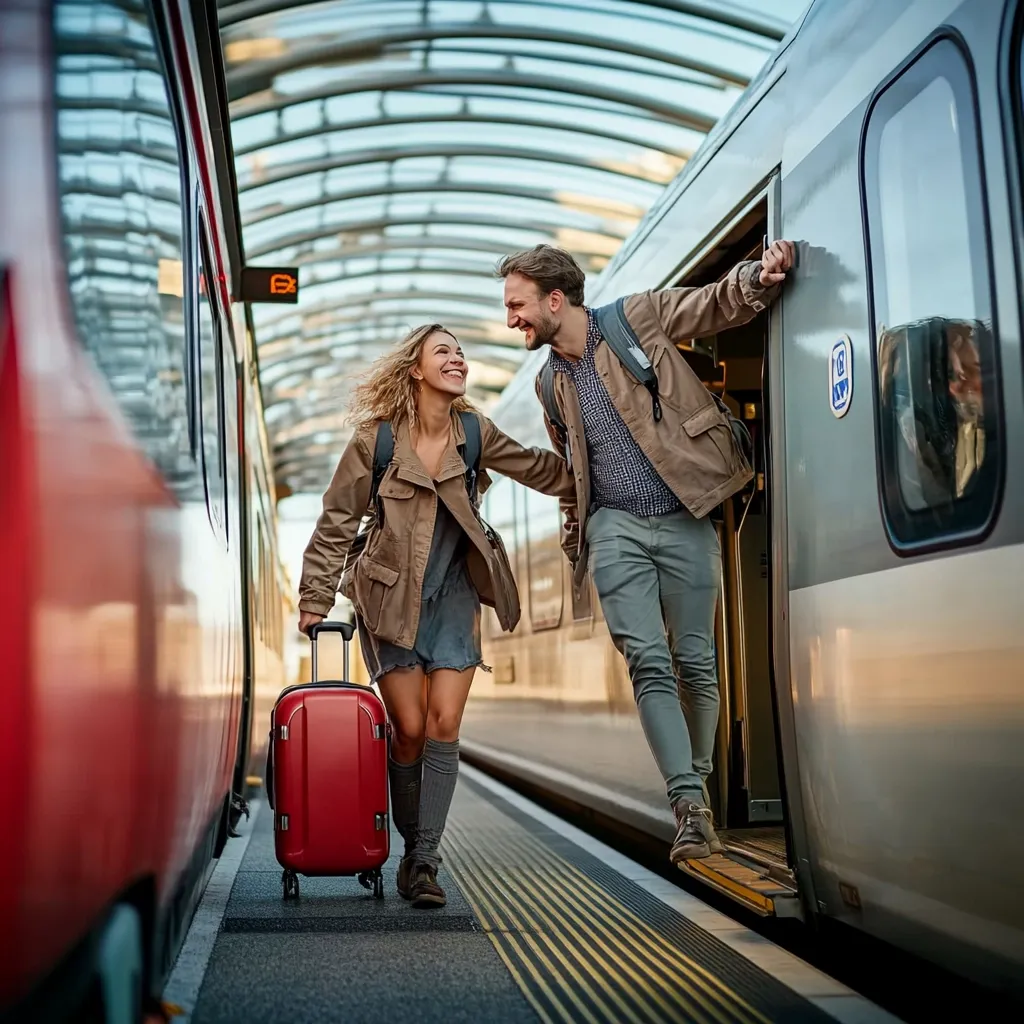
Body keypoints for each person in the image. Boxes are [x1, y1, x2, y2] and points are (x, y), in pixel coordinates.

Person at [497, 240, 795, 864]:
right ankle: (690, 807)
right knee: (649, 663)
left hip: (686, 516)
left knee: (698, 664)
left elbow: (713, 304)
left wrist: (757, 275)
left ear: (556, 300)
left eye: (518, 305)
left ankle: (702, 798)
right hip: (614, 530)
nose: (511, 320)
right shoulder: (551, 384)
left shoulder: (636, 318)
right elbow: (576, 470)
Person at [296, 323, 574, 908]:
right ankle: (409, 848)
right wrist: (314, 598)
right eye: (442, 351)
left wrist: (607, 470)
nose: (457, 359)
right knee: (411, 729)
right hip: (389, 599)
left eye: (460, 352)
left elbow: (538, 470)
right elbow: (336, 523)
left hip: (453, 598)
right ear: (416, 370)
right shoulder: (375, 443)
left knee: (445, 724)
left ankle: (423, 860)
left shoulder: (474, 433)